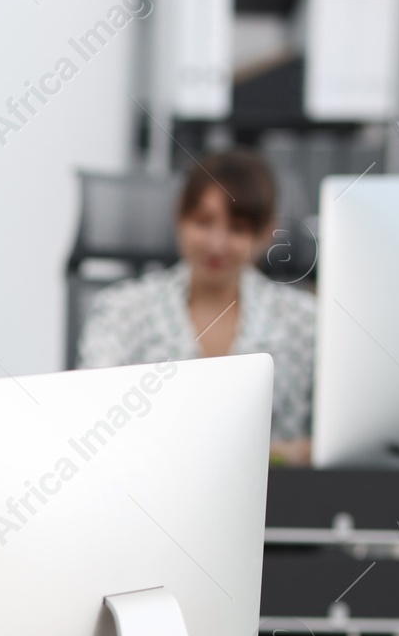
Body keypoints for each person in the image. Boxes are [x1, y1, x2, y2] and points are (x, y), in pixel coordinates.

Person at [76, 149, 316, 465]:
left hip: (277, 503)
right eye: (204, 222)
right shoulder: (122, 311)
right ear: (180, 216)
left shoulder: (305, 320)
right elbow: (91, 421)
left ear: (265, 234)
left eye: (237, 229)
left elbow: (334, 438)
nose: (217, 243)